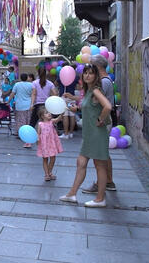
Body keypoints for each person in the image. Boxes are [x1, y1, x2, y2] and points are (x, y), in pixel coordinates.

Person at [60, 64, 112, 208]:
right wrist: (76, 108)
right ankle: (72, 194)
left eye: (91, 73)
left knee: (99, 166)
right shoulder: (88, 91)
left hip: (97, 135)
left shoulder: (95, 90)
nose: (87, 76)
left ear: (96, 76)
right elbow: (88, 106)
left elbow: (107, 106)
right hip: (89, 135)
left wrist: (100, 119)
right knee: (81, 163)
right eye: (85, 73)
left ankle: (100, 198)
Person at [81, 54, 117, 193]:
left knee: (100, 157)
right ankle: (108, 182)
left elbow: (104, 105)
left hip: (102, 123)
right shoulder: (104, 81)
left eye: (92, 66)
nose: (88, 71)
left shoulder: (103, 82)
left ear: (98, 67)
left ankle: (103, 183)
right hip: (102, 121)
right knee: (103, 154)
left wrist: (99, 119)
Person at [28, 67, 57, 148]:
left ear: (38, 73)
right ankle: (49, 141)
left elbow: (33, 94)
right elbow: (55, 94)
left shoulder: (34, 83)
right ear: (46, 73)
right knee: (48, 123)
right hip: (46, 105)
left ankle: (28, 142)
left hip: (37, 105)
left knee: (32, 123)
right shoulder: (50, 83)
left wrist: (32, 104)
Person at [36, 107, 63, 181]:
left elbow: (58, 119)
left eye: (49, 113)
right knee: (45, 159)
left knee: (53, 158)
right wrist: (38, 139)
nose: (49, 114)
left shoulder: (52, 121)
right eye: (47, 113)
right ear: (42, 116)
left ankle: (50, 171)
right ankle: (47, 174)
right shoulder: (40, 124)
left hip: (51, 143)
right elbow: (38, 133)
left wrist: (61, 114)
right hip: (44, 144)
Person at [59, 63, 79, 140]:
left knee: (65, 115)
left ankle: (66, 133)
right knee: (72, 114)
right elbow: (78, 86)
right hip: (72, 96)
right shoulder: (75, 76)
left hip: (63, 96)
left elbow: (57, 83)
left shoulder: (60, 75)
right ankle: (71, 133)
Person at [9, 73, 33, 137]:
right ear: (27, 78)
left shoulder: (17, 84)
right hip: (28, 104)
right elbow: (33, 94)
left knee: (20, 120)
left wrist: (8, 101)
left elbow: (12, 94)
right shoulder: (31, 85)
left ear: (20, 78)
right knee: (28, 119)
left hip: (19, 105)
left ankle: (20, 133)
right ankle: (27, 133)